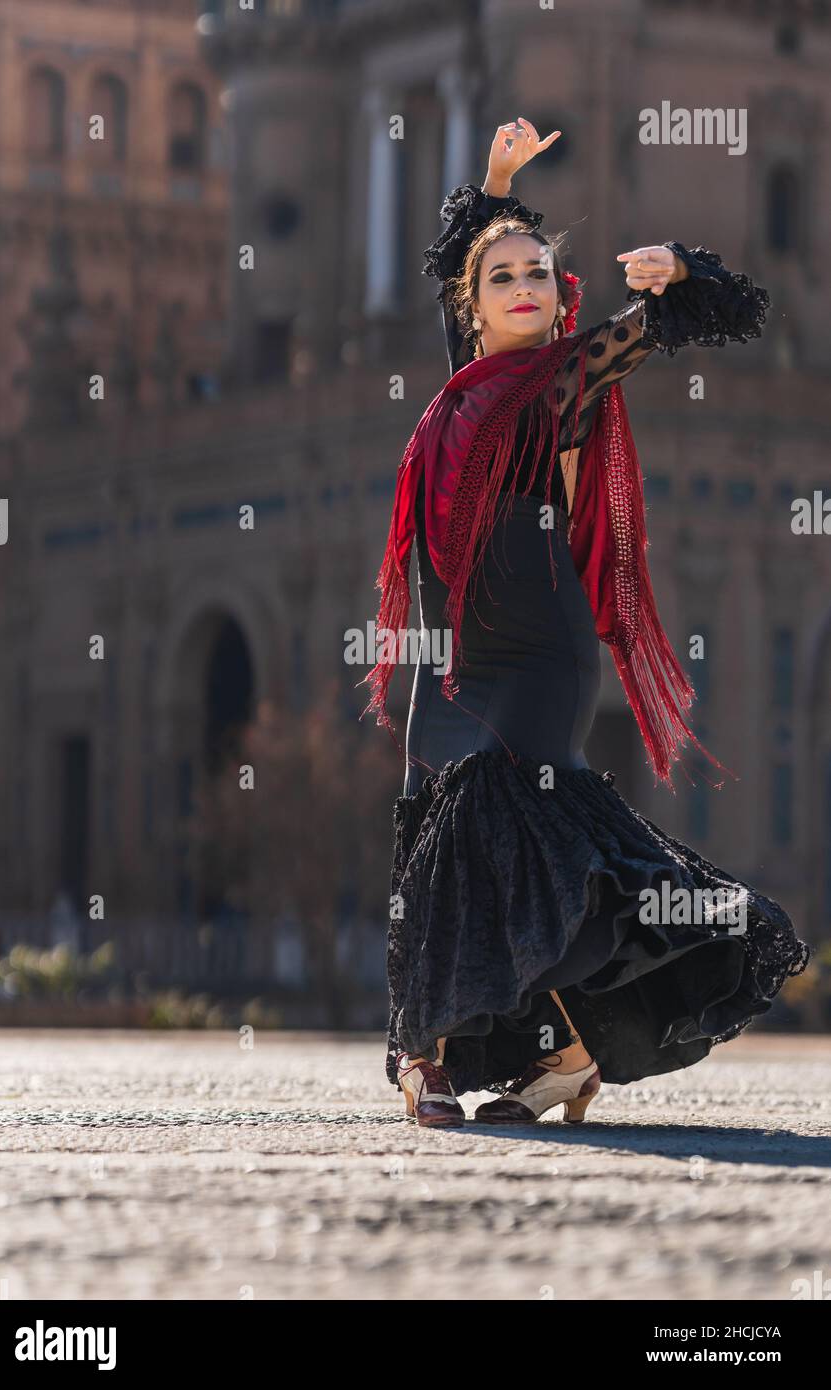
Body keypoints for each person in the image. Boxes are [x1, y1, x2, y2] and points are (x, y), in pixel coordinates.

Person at [361, 120, 810, 1127]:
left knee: (498, 822)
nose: (524, 287)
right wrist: (494, 182)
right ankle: (544, 1053)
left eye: (539, 273)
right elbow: (454, 247)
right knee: (439, 838)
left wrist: (676, 272)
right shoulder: (460, 387)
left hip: (538, 651)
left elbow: (717, 314)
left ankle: (436, 1059)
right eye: (502, 275)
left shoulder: (561, 379)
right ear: (469, 311)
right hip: (455, 658)